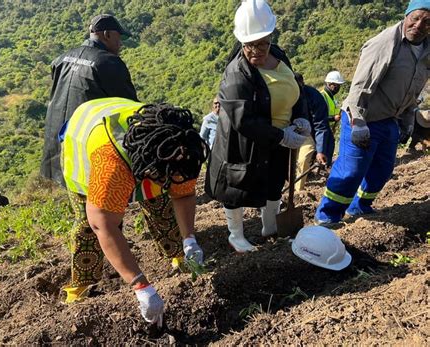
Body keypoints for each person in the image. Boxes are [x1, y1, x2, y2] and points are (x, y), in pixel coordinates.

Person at [61, 97, 209, 326]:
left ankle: (178, 255)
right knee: (87, 229)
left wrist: (189, 239)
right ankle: (81, 285)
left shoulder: (183, 148)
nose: (172, 180)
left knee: (161, 207)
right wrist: (142, 287)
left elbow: (184, 194)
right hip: (85, 142)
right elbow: (103, 224)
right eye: (166, 176)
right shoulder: (111, 164)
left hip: (142, 152)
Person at [205, 0, 310, 252]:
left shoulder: (280, 55)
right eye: (250, 45)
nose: (257, 51)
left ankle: (271, 227)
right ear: (242, 42)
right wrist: (281, 136)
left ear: (271, 37)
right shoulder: (236, 74)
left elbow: (293, 87)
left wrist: (299, 115)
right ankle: (236, 235)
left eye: (262, 43)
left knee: (275, 182)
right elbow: (244, 121)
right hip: (244, 142)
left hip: (278, 136)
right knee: (236, 186)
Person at [315, 1, 429, 224]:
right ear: (406, 15)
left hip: (389, 119)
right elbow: (359, 87)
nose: (418, 25)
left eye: (427, 22)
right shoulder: (385, 43)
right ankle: (327, 217)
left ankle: (359, 206)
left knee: (382, 170)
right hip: (362, 116)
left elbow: (414, 86)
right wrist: (358, 122)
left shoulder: (427, 49)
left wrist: (407, 118)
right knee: (350, 172)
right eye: (415, 18)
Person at [41, 14, 137, 186]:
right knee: (95, 199)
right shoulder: (109, 63)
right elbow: (130, 108)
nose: (120, 44)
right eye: (118, 37)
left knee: (76, 196)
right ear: (107, 34)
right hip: (85, 143)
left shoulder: (62, 59)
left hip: (59, 143)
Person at [294, 73, 333, 191]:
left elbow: (320, 125)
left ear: (302, 84)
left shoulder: (314, 97)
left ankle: (297, 191)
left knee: (303, 160)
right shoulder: (282, 93)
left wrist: (320, 151)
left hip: (308, 131)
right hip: (287, 129)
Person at [321, 70, 346, 160]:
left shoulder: (332, 97)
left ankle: (325, 167)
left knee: (329, 149)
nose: (338, 88)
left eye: (339, 85)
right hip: (322, 129)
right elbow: (318, 116)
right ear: (330, 84)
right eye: (336, 85)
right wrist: (332, 118)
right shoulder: (322, 96)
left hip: (329, 129)